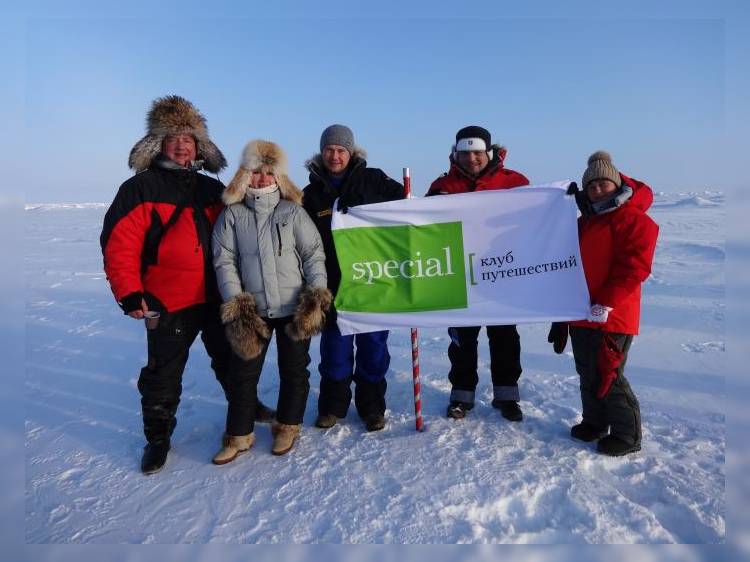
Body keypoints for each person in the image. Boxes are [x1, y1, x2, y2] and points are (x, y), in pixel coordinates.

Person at [100, 96, 274, 475]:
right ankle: (158, 437)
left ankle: (246, 408)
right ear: (158, 144)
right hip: (167, 299)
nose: (182, 145)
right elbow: (119, 244)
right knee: (163, 374)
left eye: (189, 139)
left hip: (218, 295)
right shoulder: (140, 188)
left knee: (233, 361)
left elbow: (243, 231)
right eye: (173, 138)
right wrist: (129, 292)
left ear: (200, 147)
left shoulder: (212, 189)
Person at [211, 140, 330, 462]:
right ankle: (238, 435)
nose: (262, 178)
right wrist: (236, 300)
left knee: (294, 371)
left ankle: (288, 426)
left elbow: (313, 254)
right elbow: (224, 260)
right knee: (243, 375)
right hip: (253, 310)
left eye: (268, 172)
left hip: (294, 307)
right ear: (244, 175)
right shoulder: (232, 214)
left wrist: (316, 294)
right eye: (256, 172)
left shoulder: (292, 212)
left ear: (279, 177)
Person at [548, 150, 658, 456]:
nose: (597, 189)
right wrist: (561, 313)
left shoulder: (633, 219)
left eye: (603, 184)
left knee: (609, 373)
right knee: (587, 371)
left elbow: (635, 267)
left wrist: (607, 302)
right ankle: (594, 422)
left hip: (613, 315)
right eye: (592, 185)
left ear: (616, 184)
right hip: (581, 312)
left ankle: (627, 434)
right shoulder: (585, 222)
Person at [302, 124, 405, 431]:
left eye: (340, 150)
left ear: (351, 152)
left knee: (373, 349)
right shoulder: (311, 194)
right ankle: (332, 407)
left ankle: (372, 407)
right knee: (335, 352)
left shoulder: (374, 180)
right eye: (329, 150)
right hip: (333, 285)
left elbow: (406, 207)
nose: (334, 156)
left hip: (373, 281)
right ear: (322, 152)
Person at [426, 126, 530, 421]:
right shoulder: (443, 185)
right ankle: (462, 395)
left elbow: (535, 219)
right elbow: (424, 226)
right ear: (455, 154)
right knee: (462, 340)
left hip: (502, 273)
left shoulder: (514, 183)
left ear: (489, 153)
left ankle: (507, 396)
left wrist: (562, 201)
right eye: (465, 153)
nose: (471, 158)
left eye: (477, 153)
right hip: (459, 276)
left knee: (505, 338)